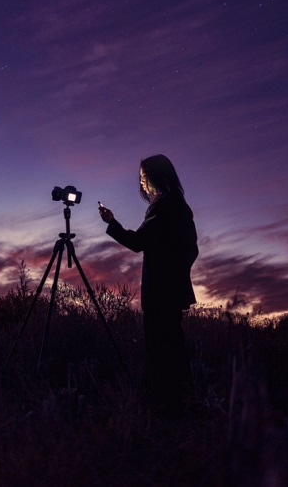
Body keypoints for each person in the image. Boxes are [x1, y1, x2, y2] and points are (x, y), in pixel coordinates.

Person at [98, 154, 198, 415]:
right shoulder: (180, 206)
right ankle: (183, 402)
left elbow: (138, 243)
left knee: (162, 351)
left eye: (144, 177)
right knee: (173, 347)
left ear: (157, 176)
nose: (141, 183)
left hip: (161, 294)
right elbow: (191, 250)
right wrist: (178, 271)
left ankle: (170, 407)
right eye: (140, 178)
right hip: (172, 293)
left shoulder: (165, 207)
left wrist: (111, 222)